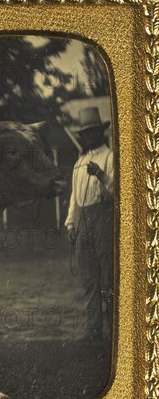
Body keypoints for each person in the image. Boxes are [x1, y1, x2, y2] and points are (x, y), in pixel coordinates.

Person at [65, 107, 114, 343]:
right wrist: (71, 223)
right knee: (89, 277)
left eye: (93, 132)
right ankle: (93, 328)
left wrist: (102, 176)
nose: (89, 137)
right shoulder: (80, 162)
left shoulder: (110, 156)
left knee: (107, 276)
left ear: (100, 133)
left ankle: (114, 328)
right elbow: (75, 197)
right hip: (84, 219)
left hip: (103, 217)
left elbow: (117, 191)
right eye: (85, 133)